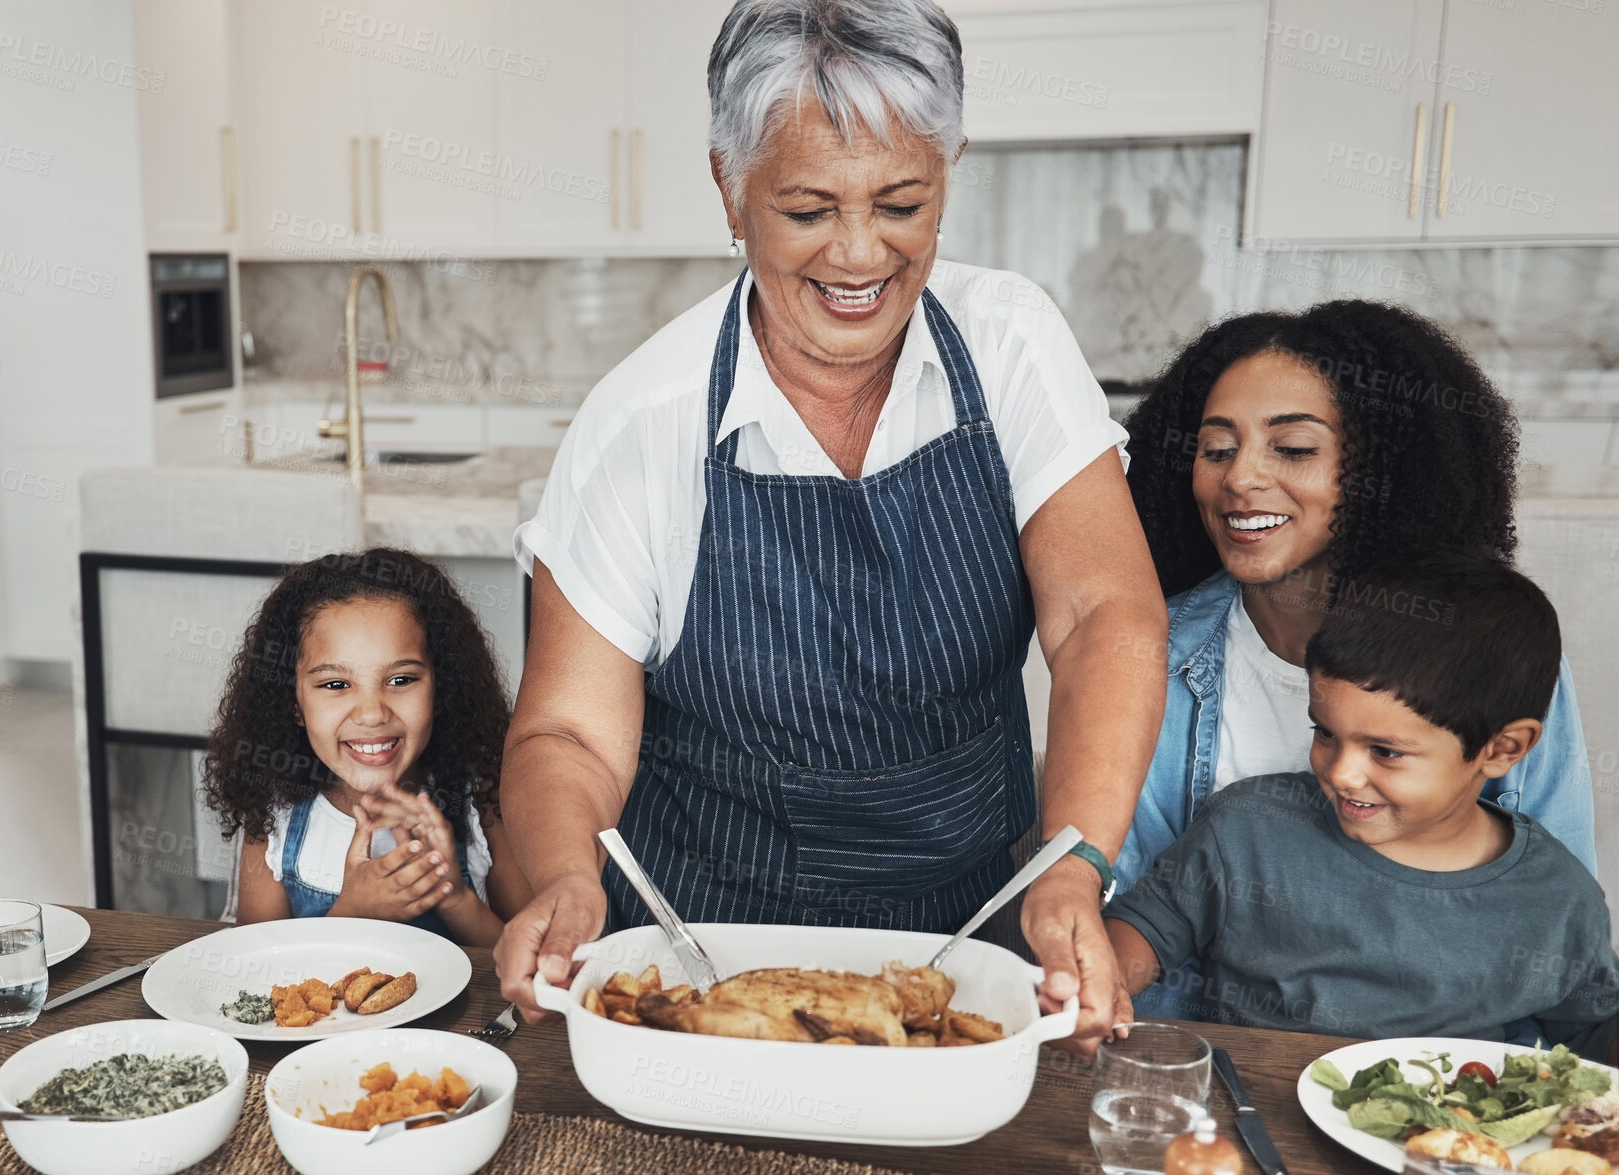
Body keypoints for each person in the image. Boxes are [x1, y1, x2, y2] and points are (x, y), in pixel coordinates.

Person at [494, 0, 1167, 1052]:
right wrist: (568, 879)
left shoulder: (1011, 342)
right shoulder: (643, 423)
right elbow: (568, 733)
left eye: (901, 202)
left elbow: (1101, 618)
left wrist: (1072, 867)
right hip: (701, 968)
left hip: (969, 960)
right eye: (809, 209)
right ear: (729, 185)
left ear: (950, 170)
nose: (860, 255)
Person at [1120, 300, 1595, 897]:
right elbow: (1126, 915)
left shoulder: (1496, 657)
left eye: (1292, 448)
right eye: (1216, 450)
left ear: (1386, 470)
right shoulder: (1143, 652)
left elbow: (1555, 907)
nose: (1240, 477)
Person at [1105, 552, 1619, 1053]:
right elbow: (1149, 927)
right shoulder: (1247, 829)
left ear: (1501, 749)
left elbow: (1593, 1031)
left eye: (1386, 752)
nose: (1341, 773)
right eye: (1325, 733)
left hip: (1453, 1137)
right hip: (1249, 1119)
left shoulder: (1558, 900)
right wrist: (1099, 986)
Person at [202, 548, 526, 947]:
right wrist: (351, 912)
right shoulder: (273, 812)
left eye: (401, 680)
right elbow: (259, 965)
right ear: (294, 704)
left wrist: (453, 896)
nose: (372, 714)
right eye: (336, 685)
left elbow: (532, 964)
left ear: (442, 688)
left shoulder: (483, 798)